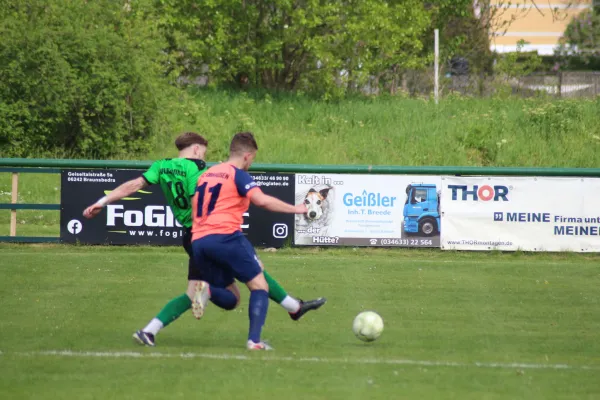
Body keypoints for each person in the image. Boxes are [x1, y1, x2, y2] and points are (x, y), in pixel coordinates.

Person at [83, 132, 326, 347]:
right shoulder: (201, 170)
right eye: (204, 151)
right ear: (198, 149)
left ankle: (149, 330)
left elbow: (133, 186)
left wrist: (101, 202)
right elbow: (203, 199)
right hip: (214, 231)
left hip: (194, 238)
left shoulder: (162, 166)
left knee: (222, 295)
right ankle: (277, 321)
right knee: (256, 278)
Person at [191, 132, 310, 350]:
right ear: (247, 156)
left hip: (199, 241)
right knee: (259, 286)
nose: (251, 163)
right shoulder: (238, 174)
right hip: (226, 237)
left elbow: (194, 204)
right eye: (252, 158)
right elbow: (262, 201)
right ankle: (254, 341)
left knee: (232, 298)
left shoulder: (208, 173)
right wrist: (297, 209)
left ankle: (207, 290)